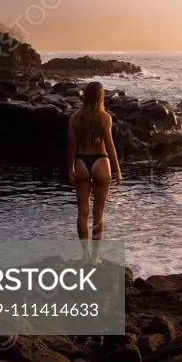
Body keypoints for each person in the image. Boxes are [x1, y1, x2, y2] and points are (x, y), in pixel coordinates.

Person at [67, 80, 122, 243]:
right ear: (101, 97)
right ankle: (95, 257)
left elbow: (71, 146)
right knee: (99, 212)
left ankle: (84, 257)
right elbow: (110, 146)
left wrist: (70, 169)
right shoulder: (105, 117)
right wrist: (117, 170)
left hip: (81, 162)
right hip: (101, 161)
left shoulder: (74, 118)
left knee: (82, 212)